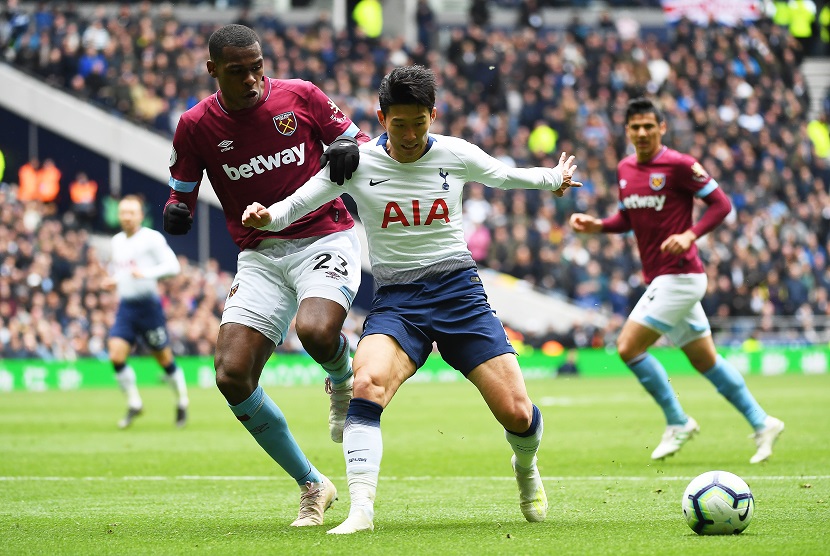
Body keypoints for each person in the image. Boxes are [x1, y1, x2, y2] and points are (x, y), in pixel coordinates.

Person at [242, 65, 581, 534]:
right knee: (367, 383)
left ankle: (525, 468)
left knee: (518, 413)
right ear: (381, 117)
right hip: (399, 300)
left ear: (433, 115)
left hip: (460, 294)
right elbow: (301, 201)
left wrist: (552, 179)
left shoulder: (455, 153)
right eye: (397, 123)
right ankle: (361, 509)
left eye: (418, 123)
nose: (408, 134)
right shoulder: (356, 162)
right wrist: (267, 215)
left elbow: (503, 176)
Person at [163, 23, 370, 527]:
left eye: (258, 67)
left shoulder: (302, 96)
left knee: (317, 330)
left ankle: (342, 378)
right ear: (213, 70)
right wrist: (176, 209)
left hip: (325, 236)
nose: (253, 79)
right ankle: (312, 484)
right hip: (260, 256)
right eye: (238, 72)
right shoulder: (195, 125)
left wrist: (351, 147)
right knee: (231, 374)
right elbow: (181, 189)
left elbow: (361, 142)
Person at [569, 97, 785, 464]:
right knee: (706, 361)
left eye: (648, 126)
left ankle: (678, 421)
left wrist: (691, 235)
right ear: (626, 130)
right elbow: (628, 216)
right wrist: (599, 226)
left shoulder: (680, 165)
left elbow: (722, 204)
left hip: (680, 275)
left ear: (661, 128)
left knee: (628, 347)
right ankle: (762, 422)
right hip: (665, 278)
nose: (641, 133)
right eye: (635, 127)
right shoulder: (624, 168)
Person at [105, 195, 188, 429]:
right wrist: (114, 281)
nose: (127, 217)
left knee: (164, 359)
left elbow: (173, 267)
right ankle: (134, 403)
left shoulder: (152, 239)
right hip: (126, 308)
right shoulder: (117, 241)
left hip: (149, 308)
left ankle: (182, 400)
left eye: (131, 212)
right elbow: (123, 272)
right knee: (116, 355)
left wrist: (148, 273)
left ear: (141, 215)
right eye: (123, 212)